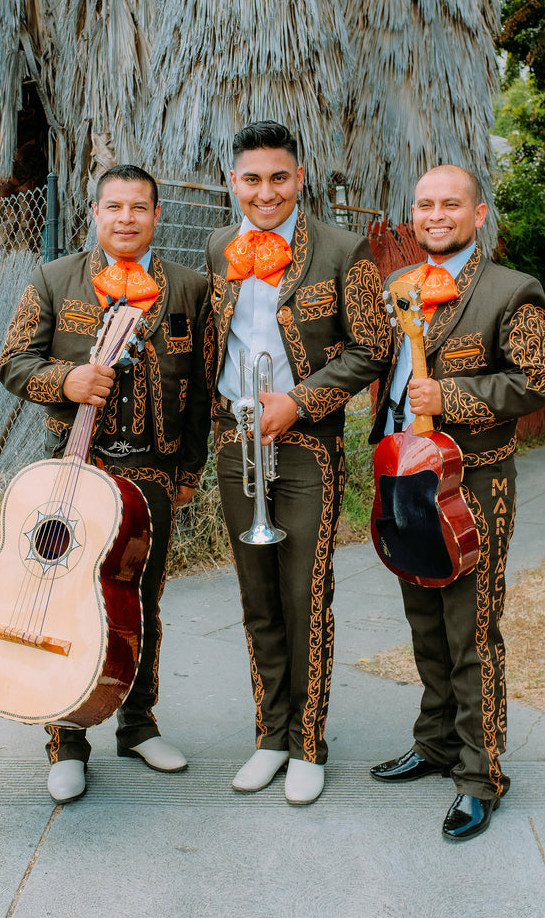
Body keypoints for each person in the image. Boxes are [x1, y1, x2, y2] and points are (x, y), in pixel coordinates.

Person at [0, 164, 213, 803]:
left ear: (155, 215)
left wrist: (190, 470)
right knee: (65, 597)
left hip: (151, 472)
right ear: (94, 213)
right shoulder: (54, 278)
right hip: (72, 469)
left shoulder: (190, 289)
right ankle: (66, 738)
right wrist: (64, 382)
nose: (126, 218)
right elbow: (13, 362)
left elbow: (201, 387)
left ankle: (138, 723)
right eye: (114, 206)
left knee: (140, 600)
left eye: (139, 208)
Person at [368, 164, 545, 840]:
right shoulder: (397, 287)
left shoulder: (511, 291)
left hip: (472, 480)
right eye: (425, 205)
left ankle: (480, 776)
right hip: (403, 474)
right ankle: (436, 743)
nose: (436, 214)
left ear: (477, 215)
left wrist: (450, 398)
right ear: (412, 216)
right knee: (423, 618)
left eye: (451, 204)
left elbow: (537, 378)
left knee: (470, 630)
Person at [206, 120, 391, 805]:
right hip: (235, 440)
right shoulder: (217, 244)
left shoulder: (343, 249)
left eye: (278, 178)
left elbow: (370, 347)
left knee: (303, 596)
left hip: (306, 440)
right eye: (251, 179)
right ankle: (269, 736)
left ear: (299, 178)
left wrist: (301, 401)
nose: (264, 192)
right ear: (234, 182)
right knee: (256, 599)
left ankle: (309, 742)